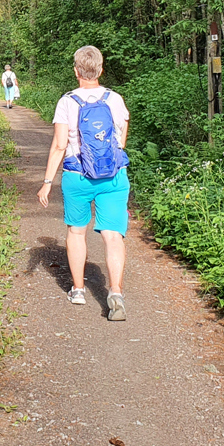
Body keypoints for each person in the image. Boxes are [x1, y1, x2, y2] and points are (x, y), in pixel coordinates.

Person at [37, 45, 132, 321]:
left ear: (76, 71)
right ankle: (115, 292)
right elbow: (121, 139)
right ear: (100, 70)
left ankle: (78, 290)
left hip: (77, 176)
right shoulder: (115, 99)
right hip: (113, 176)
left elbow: (59, 145)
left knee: (77, 232)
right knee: (113, 236)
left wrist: (47, 182)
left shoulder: (67, 101)